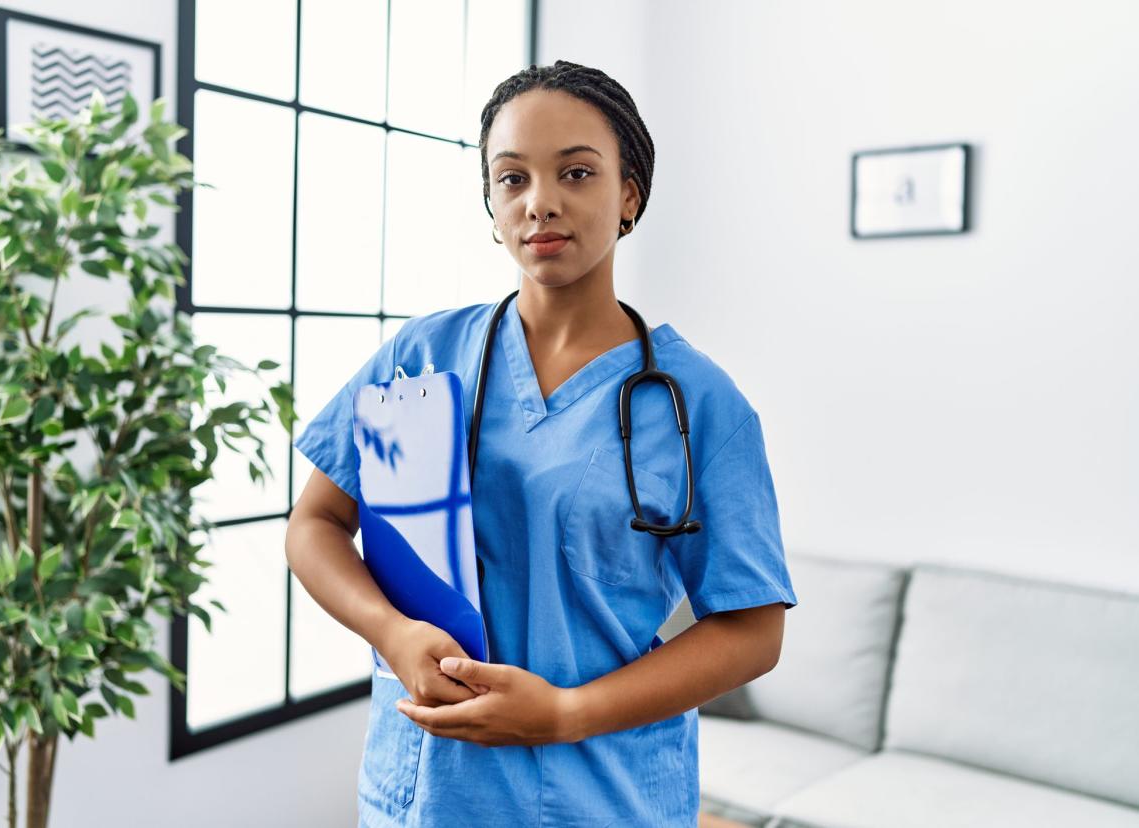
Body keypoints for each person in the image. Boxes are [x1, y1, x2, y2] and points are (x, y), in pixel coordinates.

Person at [284, 59, 798, 828]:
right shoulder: (422, 356)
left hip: (599, 795)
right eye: (512, 179)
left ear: (629, 194)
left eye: (577, 173)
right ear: (491, 203)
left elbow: (753, 632)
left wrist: (564, 714)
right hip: (422, 792)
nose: (541, 203)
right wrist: (391, 633)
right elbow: (314, 527)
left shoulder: (701, 406)